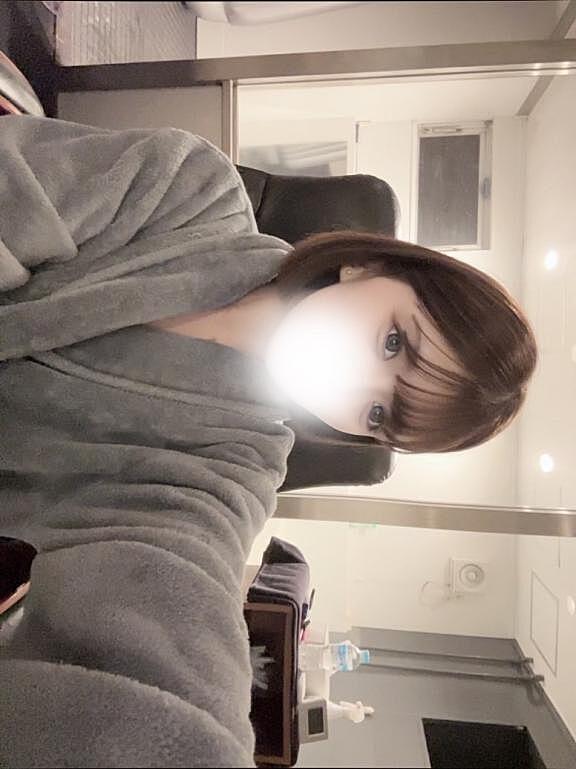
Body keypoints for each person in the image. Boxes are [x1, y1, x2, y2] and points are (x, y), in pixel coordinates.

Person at [0, 115, 537, 768]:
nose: (354, 382)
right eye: (393, 342)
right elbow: (15, 191)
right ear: (369, 265)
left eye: (376, 413)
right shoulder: (190, 190)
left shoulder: (235, 470)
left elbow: (174, 591)